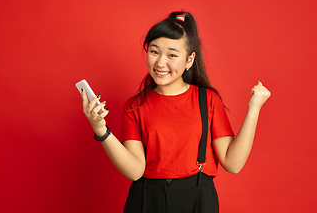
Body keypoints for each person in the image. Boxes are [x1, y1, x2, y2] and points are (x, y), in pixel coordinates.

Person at [81, 11, 271, 213]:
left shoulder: (208, 100)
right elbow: (135, 171)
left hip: (198, 199)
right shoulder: (134, 106)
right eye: (154, 52)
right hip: (147, 199)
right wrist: (101, 129)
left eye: (172, 55)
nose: (161, 63)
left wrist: (254, 108)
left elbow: (233, 164)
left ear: (189, 60)